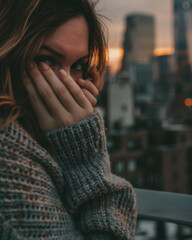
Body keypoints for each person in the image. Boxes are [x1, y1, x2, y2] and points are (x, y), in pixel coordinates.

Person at [0, 0, 137, 239]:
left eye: (78, 65)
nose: (67, 85)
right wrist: (85, 156)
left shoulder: (28, 138)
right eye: (47, 60)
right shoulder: (9, 165)